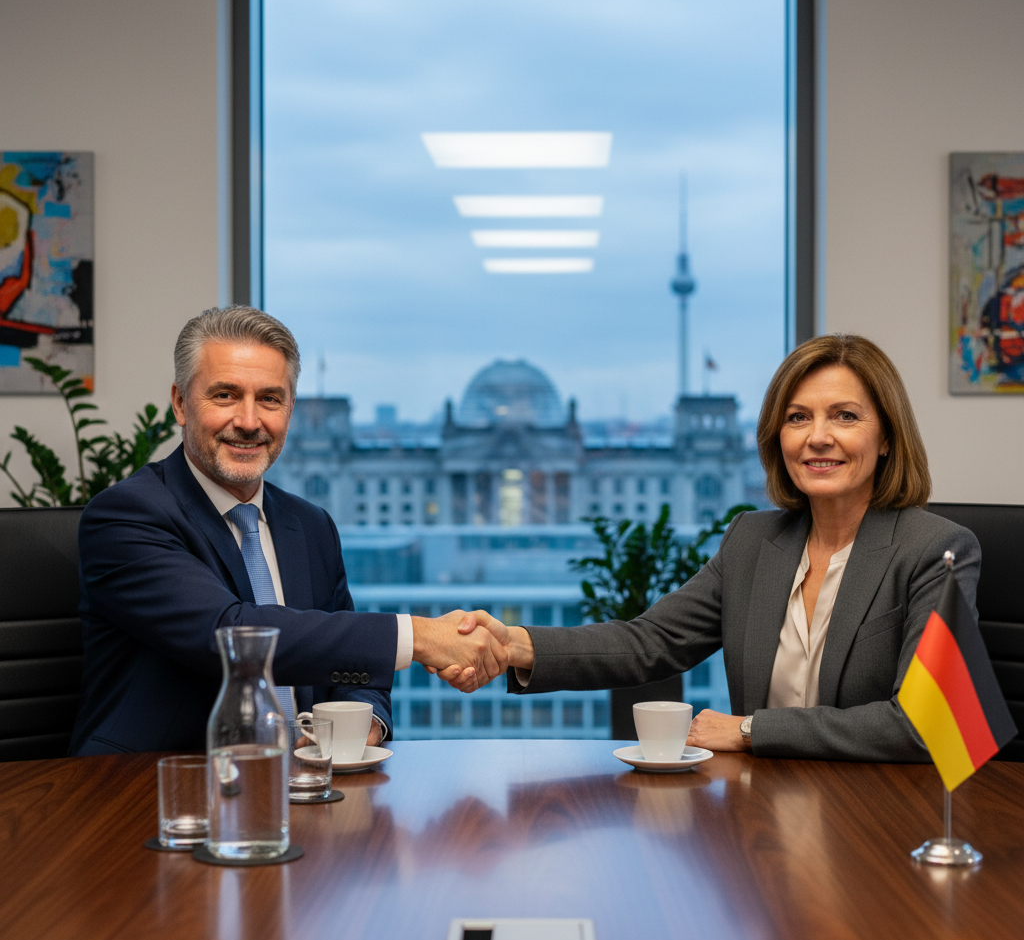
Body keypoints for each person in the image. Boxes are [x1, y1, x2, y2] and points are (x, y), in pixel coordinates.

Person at [442, 334, 981, 762]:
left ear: (886, 437)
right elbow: (649, 642)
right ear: (777, 438)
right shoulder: (754, 540)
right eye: (798, 417)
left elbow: (923, 723)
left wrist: (749, 729)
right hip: (761, 822)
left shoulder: (937, 550)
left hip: (879, 824)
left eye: (845, 415)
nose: (818, 437)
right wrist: (512, 644)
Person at [69, 306, 505, 755]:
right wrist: (419, 637)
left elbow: (351, 664)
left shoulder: (311, 525)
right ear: (181, 403)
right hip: (145, 793)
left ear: (290, 410)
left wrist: (366, 723)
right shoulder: (125, 514)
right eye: (225, 395)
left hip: (305, 793)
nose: (249, 420)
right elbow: (230, 633)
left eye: (270, 399)